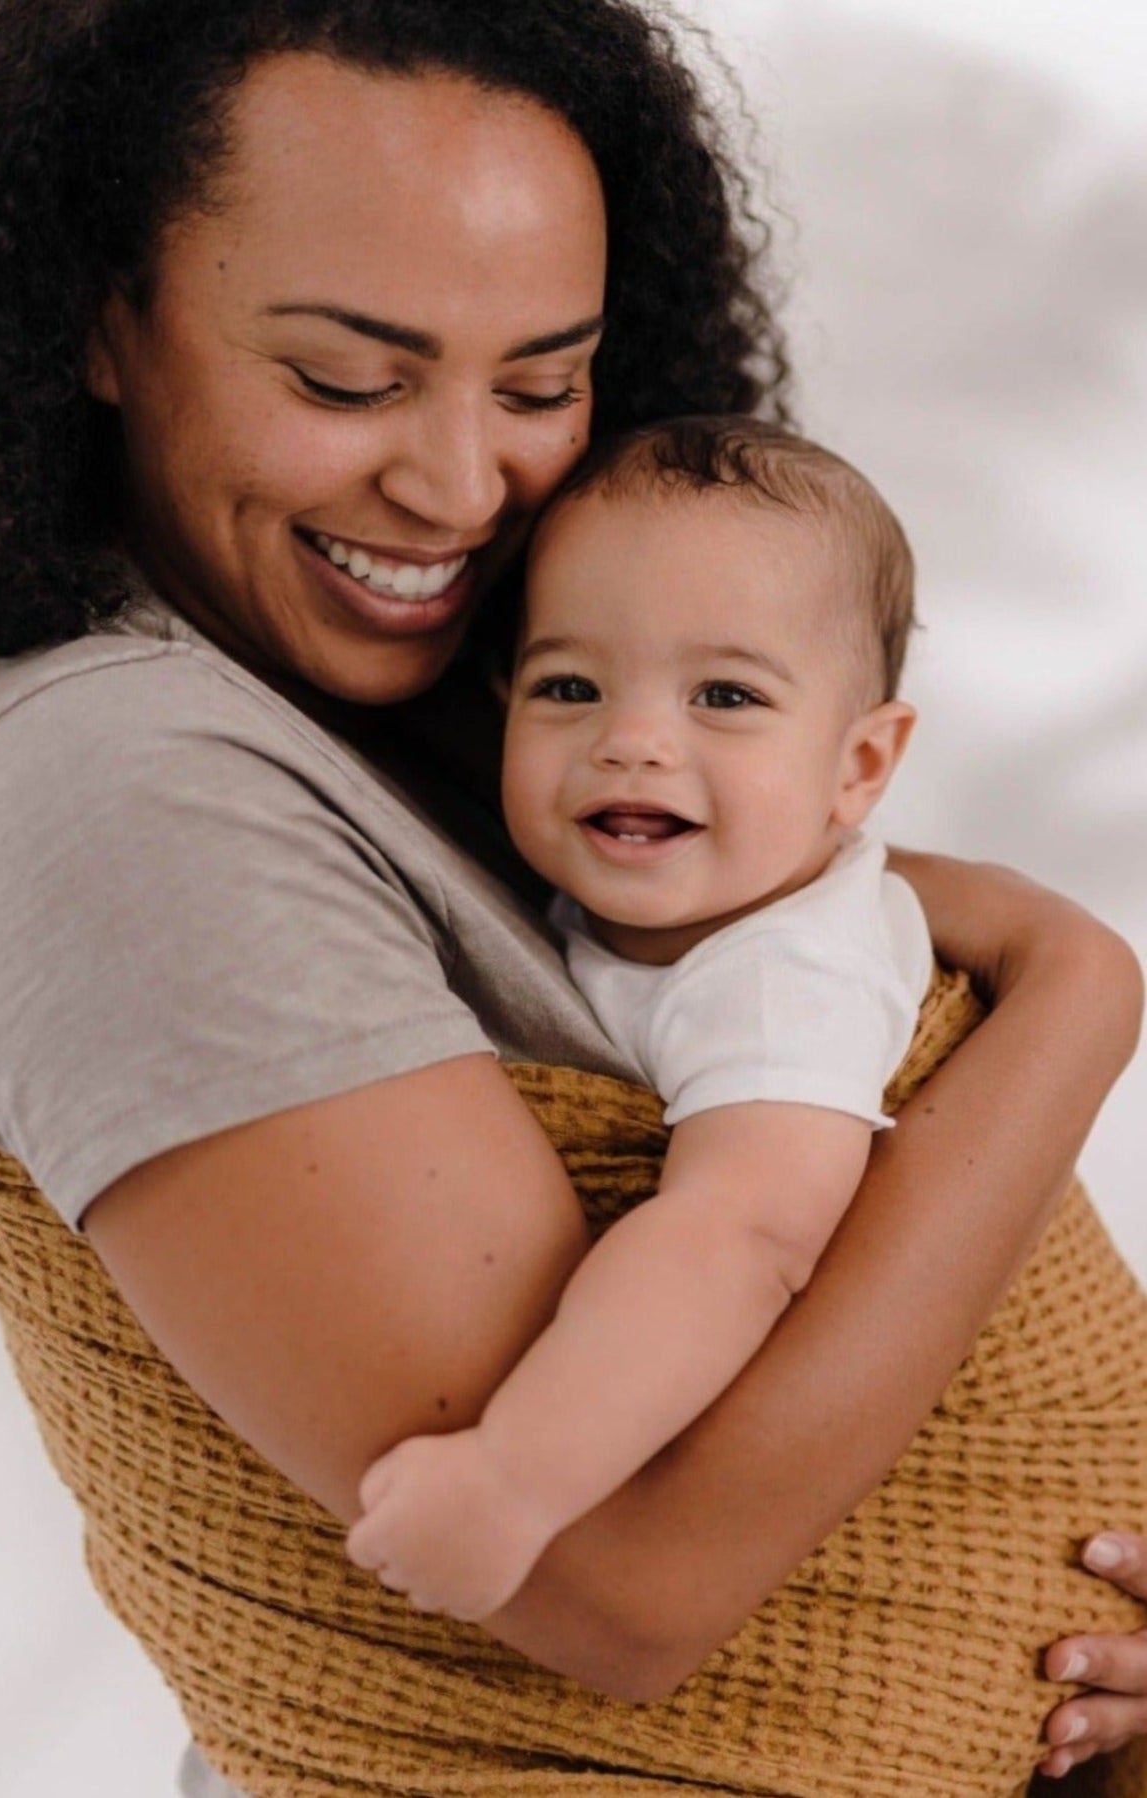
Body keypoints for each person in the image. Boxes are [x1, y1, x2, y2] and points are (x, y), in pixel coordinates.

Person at [0, 1, 1143, 1793]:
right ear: (101, 318)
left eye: (538, 384)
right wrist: (1077, 991)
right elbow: (626, 1580)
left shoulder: (418, 705)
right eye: (347, 380)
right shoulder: (117, 772)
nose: (457, 488)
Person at [346, 418, 936, 1622]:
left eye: (725, 694)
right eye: (571, 685)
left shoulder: (785, 976)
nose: (632, 739)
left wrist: (513, 1480)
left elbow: (742, 1239)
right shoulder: (610, 900)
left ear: (859, 768)